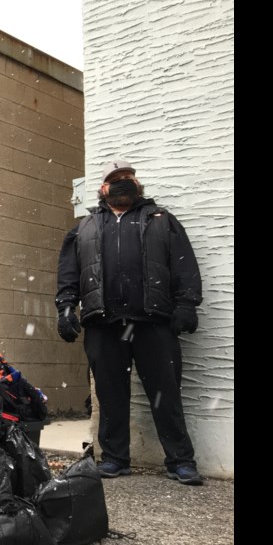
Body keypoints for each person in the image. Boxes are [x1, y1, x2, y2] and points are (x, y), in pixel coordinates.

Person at [55, 160, 204, 485]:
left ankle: (180, 460)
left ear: (137, 185)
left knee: (165, 394)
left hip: (154, 324)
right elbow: (69, 274)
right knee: (110, 396)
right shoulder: (85, 227)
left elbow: (184, 266)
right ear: (103, 188)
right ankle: (115, 459)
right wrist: (66, 307)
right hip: (103, 325)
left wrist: (187, 305)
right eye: (115, 179)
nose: (122, 183)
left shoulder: (162, 221)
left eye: (127, 178)